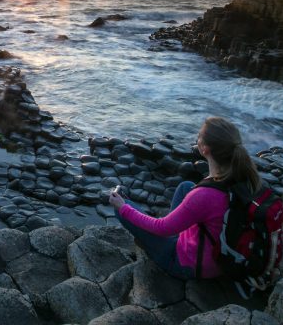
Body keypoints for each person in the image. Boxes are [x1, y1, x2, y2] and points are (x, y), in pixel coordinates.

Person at [109, 117, 261, 280]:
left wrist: (124, 207)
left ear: (204, 149)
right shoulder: (246, 179)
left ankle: (164, 240)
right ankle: (175, 230)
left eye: (199, 136)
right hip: (222, 256)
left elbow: (162, 228)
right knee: (185, 187)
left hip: (188, 265)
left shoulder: (205, 195)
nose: (197, 139)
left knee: (121, 209)